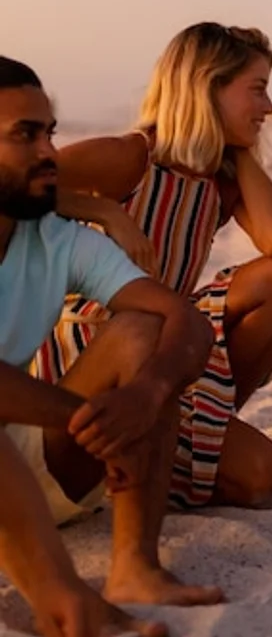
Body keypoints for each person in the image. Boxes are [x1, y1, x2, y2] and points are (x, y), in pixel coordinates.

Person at [33, 22, 272, 509]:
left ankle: (201, 430)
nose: (269, 107)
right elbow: (18, 182)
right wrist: (105, 211)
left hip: (171, 345)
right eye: (258, 90)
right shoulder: (129, 159)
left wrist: (238, 147)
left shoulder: (217, 181)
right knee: (259, 475)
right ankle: (155, 459)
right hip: (95, 351)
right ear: (208, 87)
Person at [0, 56, 222, 636]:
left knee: (144, 331)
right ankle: (68, 606)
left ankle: (134, 568)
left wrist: (144, 396)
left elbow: (188, 322)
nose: (50, 151)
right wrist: (84, 418)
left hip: (20, 469)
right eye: (25, 135)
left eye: (50, 131)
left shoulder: (55, 240)